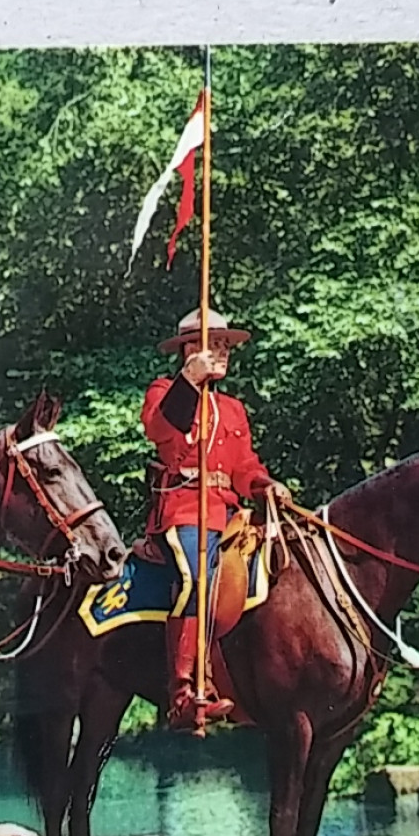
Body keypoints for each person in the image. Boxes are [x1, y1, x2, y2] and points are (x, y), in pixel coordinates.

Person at [141, 308, 292, 736]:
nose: (224, 353)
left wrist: (264, 484)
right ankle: (184, 692)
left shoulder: (233, 409)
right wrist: (189, 381)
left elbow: (244, 466)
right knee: (197, 577)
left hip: (228, 514)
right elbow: (160, 430)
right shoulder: (164, 391)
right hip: (185, 510)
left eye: (227, 346)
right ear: (191, 349)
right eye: (216, 344)